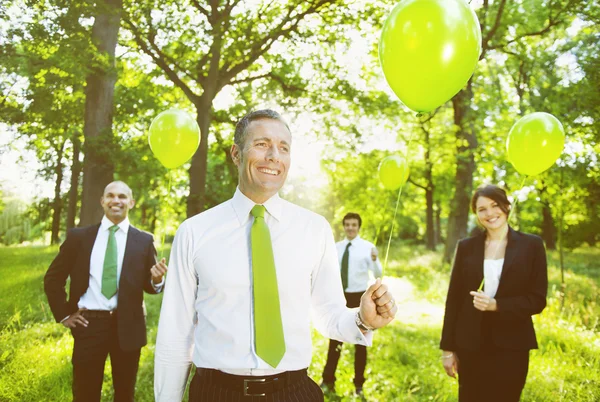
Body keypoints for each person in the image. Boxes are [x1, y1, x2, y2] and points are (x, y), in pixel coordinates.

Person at [154, 109, 398, 402]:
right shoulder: (194, 232)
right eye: (262, 144)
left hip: (293, 392)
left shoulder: (315, 229)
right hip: (216, 393)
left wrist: (362, 319)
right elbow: (175, 334)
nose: (274, 155)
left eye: (284, 148)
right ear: (236, 153)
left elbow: (328, 314)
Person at [44, 181, 168, 402]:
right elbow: (53, 278)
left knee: (125, 393)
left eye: (122, 196)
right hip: (89, 324)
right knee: (84, 393)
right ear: (102, 201)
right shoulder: (79, 237)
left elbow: (149, 286)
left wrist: (157, 280)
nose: (116, 201)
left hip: (129, 326)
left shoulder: (143, 240)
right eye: (110, 196)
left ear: (131, 202)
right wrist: (64, 314)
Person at [440, 184, 548, 402]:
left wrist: (496, 305)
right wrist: (447, 349)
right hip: (470, 343)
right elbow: (454, 300)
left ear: (507, 207)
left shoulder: (532, 245)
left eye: (494, 205)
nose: (489, 213)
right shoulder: (466, 247)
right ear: (476, 214)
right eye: (482, 209)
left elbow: (537, 300)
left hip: (513, 345)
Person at [321, 212, 382, 395]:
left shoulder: (368, 248)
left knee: (361, 343)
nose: (350, 228)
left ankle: (359, 386)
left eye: (353, 225)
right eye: (347, 224)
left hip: (360, 299)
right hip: (340, 297)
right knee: (335, 341)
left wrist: (375, 259)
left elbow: (378, 273)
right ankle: (328, 380)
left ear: (358, 227)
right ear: (344, 226)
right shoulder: (336, 248)